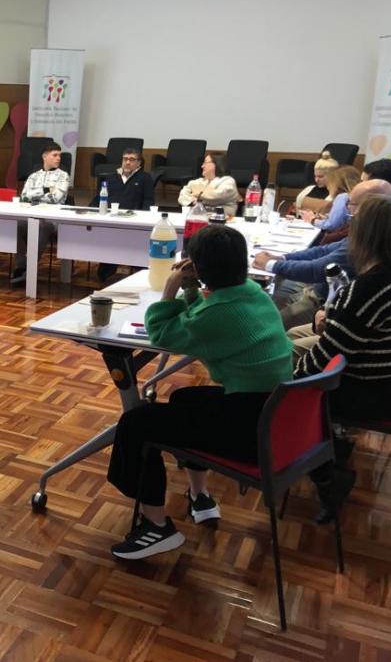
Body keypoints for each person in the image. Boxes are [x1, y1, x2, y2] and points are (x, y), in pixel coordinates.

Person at [108, 225, 293, 559]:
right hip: (276, 414)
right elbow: (201, 317)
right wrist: (193, 291)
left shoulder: (218, 312)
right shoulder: (252, 292)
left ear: (198, 266)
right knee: (184, 398)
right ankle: (200, 495)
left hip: (250, 430)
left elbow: (163, 334)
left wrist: (171, 289)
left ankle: (157, 527)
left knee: (136, 423)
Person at [296, 193, 391, 522]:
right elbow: (351, 331)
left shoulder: (369, 286)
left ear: (364, 235)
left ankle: (329, 478)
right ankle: (332, 451)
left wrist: (285, 382)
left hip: (381, 392)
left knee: (292, 399)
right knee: (296, 349)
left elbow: (326, 356)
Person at [255, 179, 391, 330]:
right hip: (318, 292)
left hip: (323, 302)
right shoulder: (368, 231)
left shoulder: (371, 242)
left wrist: (270, 264)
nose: (347, 208)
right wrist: (282, 258)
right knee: (273, 297)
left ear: (370, 207)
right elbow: (324, 250)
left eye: (351, 204)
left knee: (266, 327)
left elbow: (317, 270)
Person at [11, 143, 70, 286]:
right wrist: (45, 190)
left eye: (59, 155)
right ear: (45, 156)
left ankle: (29, 268)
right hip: (32, 213)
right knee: (18, 224)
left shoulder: (63, 176)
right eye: (54, 155)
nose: (58, 158)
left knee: (43, 226)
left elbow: (56, 198)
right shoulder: (33, 176)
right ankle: (21, 266)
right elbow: (24, 197)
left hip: (53, 217)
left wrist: (35, 195)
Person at [92, 147, 154, 283]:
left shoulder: (145, 178)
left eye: (132, 159)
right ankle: (107, 268)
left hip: (134, 221)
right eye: (125, 159)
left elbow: (148, 200)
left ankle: (139, 270)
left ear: (139, 163)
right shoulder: (111, 177)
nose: (127, 162)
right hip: (111, 220)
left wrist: (144, 218)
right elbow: (99, 198)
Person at [299, 165, 360, 233]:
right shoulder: (359, 197)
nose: (328, 188)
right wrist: (327, 218)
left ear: (337, 185)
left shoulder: (343, 197)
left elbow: (331, 225)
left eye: (329, 184)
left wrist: (312, 219)